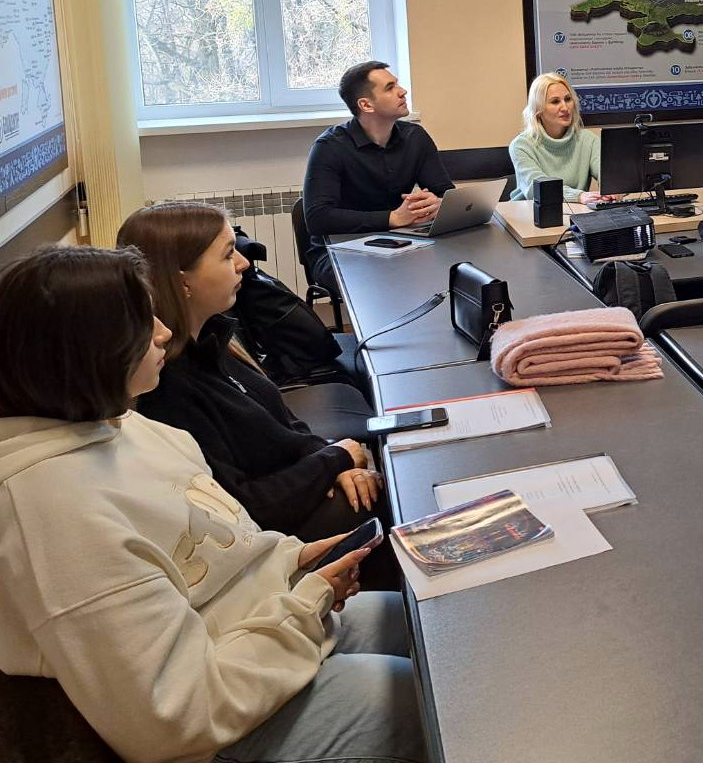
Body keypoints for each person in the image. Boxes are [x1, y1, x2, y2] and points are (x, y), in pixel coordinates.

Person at [0, 244, 425, 763]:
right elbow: (178, 715)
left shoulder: (126, 423)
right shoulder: (52, 513)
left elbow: (220, 544)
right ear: (86, 350)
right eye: (142, 323)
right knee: (423, 698)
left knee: (426, 621)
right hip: (217, 723)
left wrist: (293, 560)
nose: (163, 332)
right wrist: (307, 601)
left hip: (261, 631)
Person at [120, 203, 385, 546]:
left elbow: (287, 427)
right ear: (183, 281)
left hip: (298, 492)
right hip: (270, 538)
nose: (243, 263)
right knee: (388, 502)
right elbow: (244, 509)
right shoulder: (168, 387)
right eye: (228, 254)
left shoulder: (217, 340)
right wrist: (335, 460)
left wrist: (332, 462)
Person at [302, 59, 454, 291]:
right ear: (366, 105)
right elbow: (318, 218)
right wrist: (392, 218)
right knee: (387, 280)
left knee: (454, 267)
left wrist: (439, 204)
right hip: (338, 250)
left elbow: (445, 192)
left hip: (401, 241)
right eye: (390, 88)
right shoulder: (329, 146)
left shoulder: (415, 137)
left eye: (397, 84)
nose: (402, 92)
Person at [509, 72, 604, 203]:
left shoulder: (588, 140)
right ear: (538, 109)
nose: (565, 107)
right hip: (528, 210)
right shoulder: (521, 145)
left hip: (575, 211)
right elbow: (538, 189)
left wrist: (614, 190)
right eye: (555, 101)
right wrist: (578, 196)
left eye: (568, 99)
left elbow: (607, 174)